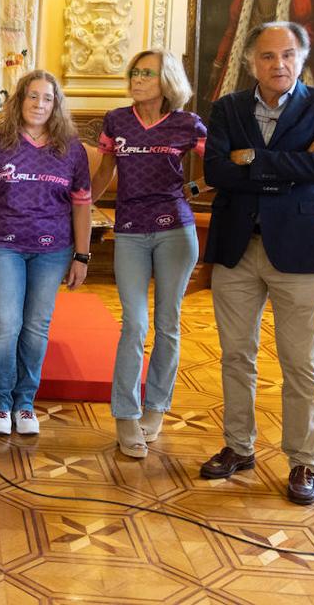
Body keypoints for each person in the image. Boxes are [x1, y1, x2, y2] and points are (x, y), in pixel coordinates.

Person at [199, 20, 314, 506]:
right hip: (238, 247)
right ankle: (239, 447)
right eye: (267, 56)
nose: (277, 64)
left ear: (301, 59)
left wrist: (254, 160)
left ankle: (303, 460)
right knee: (236, 355)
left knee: (299, 363)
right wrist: (292, 158)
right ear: (251, 63)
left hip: (299, 249)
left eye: (287, 55)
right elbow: (216, 170)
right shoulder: (227, 108)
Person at [0, 70, 91, 437]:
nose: (39, 104)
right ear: (19, 101)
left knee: (36, 326)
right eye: (32, 96)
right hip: (1, 246)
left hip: (52, 250)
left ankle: (25, 402)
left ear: (56, 105)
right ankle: (1, 403)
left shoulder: (71, 149)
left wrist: (81, 256)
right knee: (5, 325)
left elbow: (82, 206)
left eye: (47, 98)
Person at [91, 50, 206, 458]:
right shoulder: (117, 120)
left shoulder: (187, 123)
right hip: (130, 232)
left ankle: (155, 408)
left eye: (147, 74)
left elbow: (224, 167)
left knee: (168, 323)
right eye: (135, 73)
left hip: (176, 231)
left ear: (167, 80)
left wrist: (191, 192)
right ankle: (126, 413)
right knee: (135, 324)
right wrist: (83, 209)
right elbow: (105, 170)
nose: (137, 79)